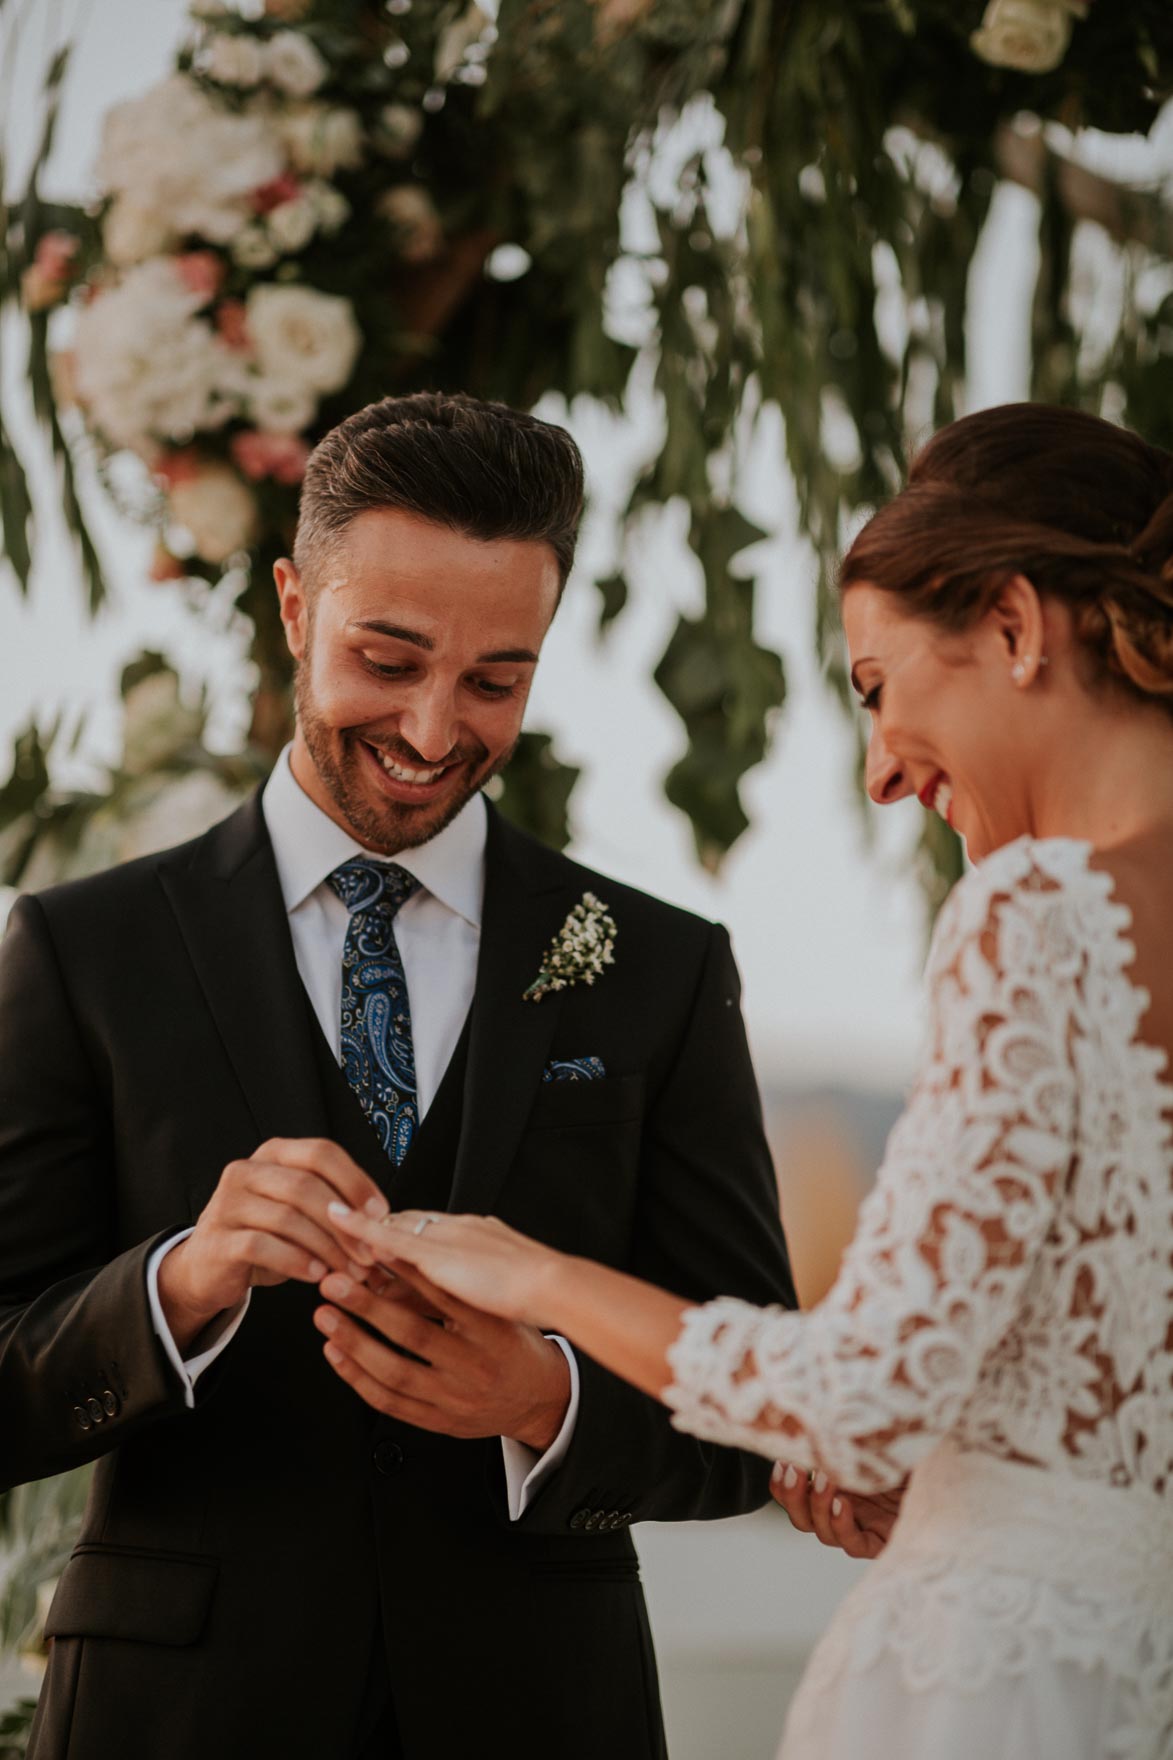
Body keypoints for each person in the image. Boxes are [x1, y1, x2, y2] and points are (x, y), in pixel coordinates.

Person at [330, 403, 1173, 1760]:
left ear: (1014, 626)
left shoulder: (1042, 912)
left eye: (877, 686)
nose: (883, 770)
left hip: (1003, 1691)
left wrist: (531, 1277)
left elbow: (861, 1391)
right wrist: (995, 1474)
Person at [0, 392, 803, 1760]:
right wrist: (178, 1282)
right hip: (181, 1717)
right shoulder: (86, 949)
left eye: (496, 679)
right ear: (294, 606)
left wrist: (541, 1400)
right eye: (389, 658)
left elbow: (755, 1403)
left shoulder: (657, 967)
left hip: (539, 1712)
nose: (435, 732)